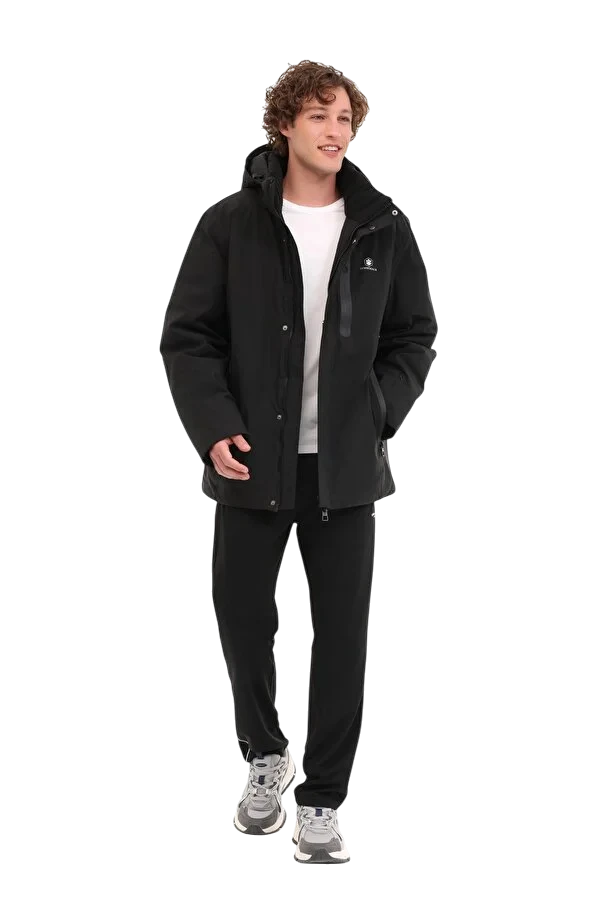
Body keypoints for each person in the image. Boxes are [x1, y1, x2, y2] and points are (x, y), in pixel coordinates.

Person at [161, 60, 437, 864]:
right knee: (246, 626)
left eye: (345, 119)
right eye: (319, 116)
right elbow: (189, 335)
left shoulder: (382, 226)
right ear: (283, 124)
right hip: (253, 463)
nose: (335, 131)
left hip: (344, 469)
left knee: (342, 638)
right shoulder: (233, 223)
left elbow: (414, 335)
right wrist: (214, 426)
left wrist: (378, 409)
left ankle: (322, 797)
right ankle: (264, 756)